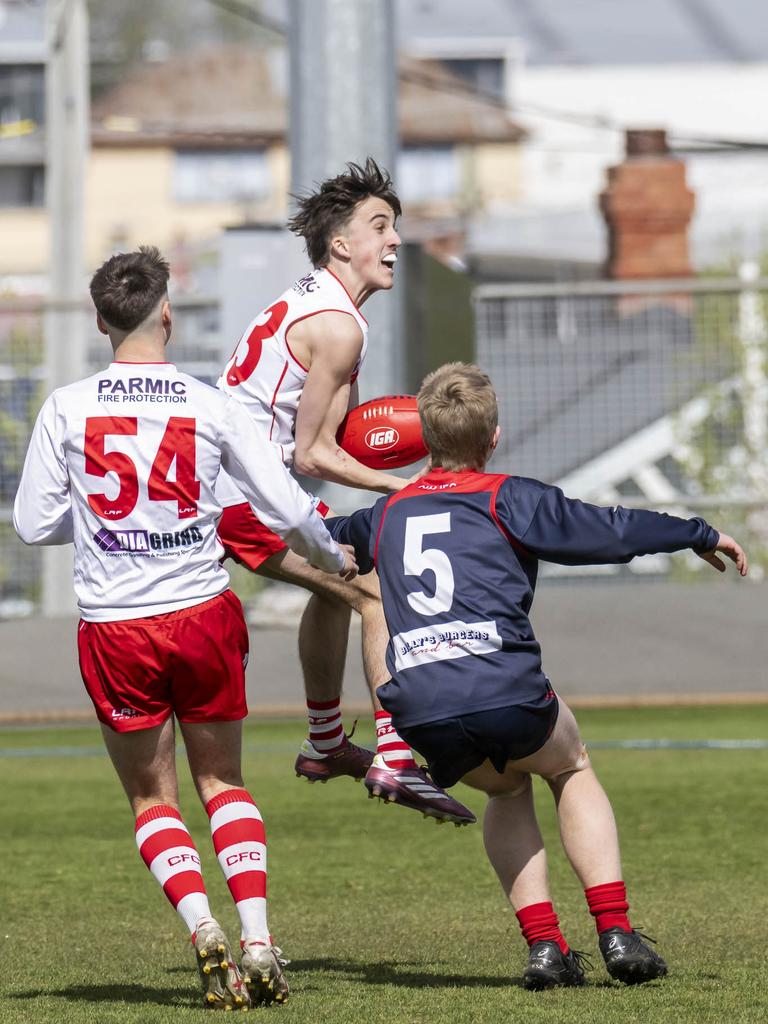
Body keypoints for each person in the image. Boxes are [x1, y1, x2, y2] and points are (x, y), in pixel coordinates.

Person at [325, 361, 748, 988]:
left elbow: (309, 537)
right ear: (493, 438)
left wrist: (216, 527)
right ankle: (615, 932)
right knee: (568, 763)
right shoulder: (507, 496)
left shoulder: (382, 516)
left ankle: (546, 949)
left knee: (504, 788)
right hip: (504, 689)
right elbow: (610, 530)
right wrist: (696, 532)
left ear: (424, 441)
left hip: (422, 706)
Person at [13, 247, 358, 1010]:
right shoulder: (212, 404)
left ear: (101, 322)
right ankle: (260, 938)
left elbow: (34, 523)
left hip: (114, 629)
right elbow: (289, 507)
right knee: (223, 783)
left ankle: (203, 929)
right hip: (202, 614)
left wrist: (112, 520)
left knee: (153, 801)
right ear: (166, 314)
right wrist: (336, 559)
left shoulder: (69, 406)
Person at [215, 157, 474, 825]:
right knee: (377, 590)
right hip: (241, 493)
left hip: (245, 486)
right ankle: (391, 756)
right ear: (341, 245)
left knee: (341, 583)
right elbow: (314, 452)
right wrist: (410, 484)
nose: (393, 241)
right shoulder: (339, 324)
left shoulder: (319, 303)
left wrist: (384, 472)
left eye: (394, 227)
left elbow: (322, 445)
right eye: (379, 227)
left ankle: (327, 743)